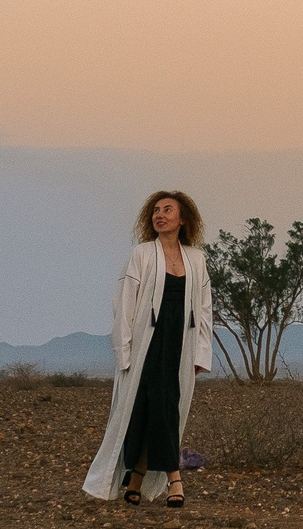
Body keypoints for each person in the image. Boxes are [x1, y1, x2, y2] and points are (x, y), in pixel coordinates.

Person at [80, 190, 214, 508]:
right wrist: (123, 350)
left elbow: (205, 308)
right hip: (145, 346)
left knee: (166, 409)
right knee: (142, 409)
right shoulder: (141, 254)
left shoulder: (196, 259)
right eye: (155, 210)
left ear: (183, 219)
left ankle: (140, 477)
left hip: (180, 346)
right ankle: (172, 480)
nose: (160, 215)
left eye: (168, 210)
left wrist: (201, 353)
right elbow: (124, 303)